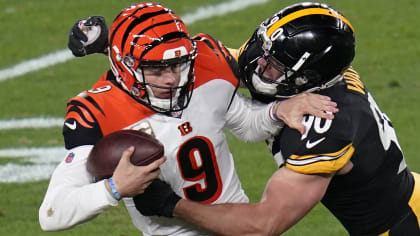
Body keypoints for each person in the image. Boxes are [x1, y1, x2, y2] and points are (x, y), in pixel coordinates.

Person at [39, 2, 338, 236]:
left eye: (178, 65)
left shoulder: (204, 66)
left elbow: (246, 125)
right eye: (157, 69)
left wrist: (276, 112)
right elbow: (52, 213)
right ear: (125, 67)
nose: (172, 79)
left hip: (238, 224)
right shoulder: (97, 112)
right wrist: (113, 188)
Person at [132, 2, 420, 236]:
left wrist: (171, 204)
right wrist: (118, 43)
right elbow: (213, 63)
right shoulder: (313, 75)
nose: (257, 65)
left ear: (307, 79)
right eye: (264, 51)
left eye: (272, 66)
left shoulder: (323, 128)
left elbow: (263, 225)